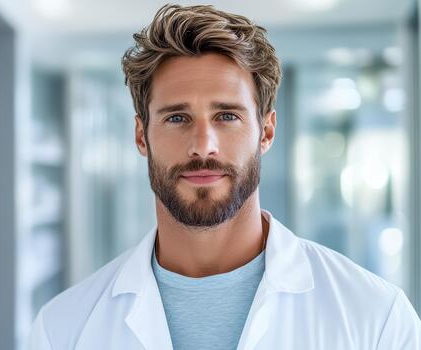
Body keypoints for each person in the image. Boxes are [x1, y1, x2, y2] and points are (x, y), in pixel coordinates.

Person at [29, 4, 421, 350]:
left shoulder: (376, 319)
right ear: (140, 135)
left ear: (266, 132)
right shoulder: (64, 329)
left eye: (227, 116)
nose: (203, 145)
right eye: (177, 118)